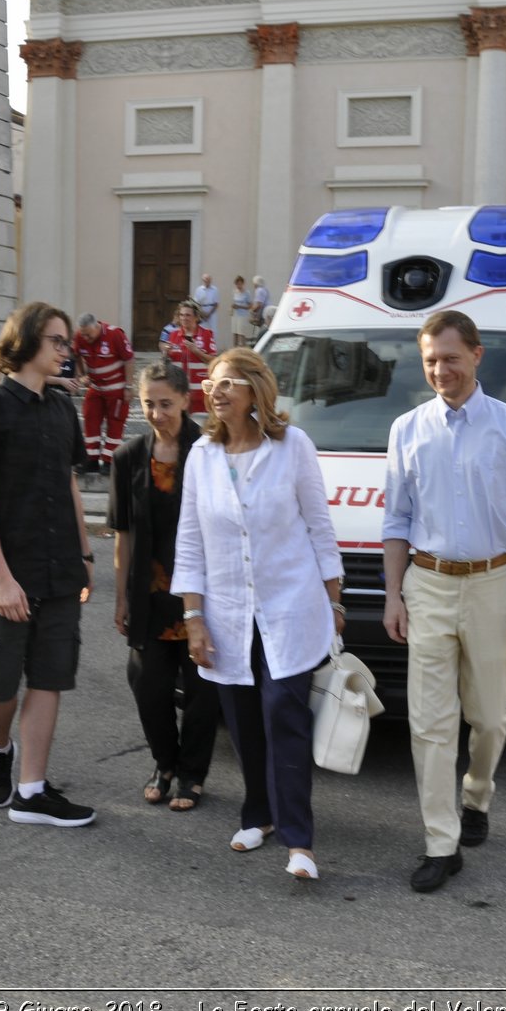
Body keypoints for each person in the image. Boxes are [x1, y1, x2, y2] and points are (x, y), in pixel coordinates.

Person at [381, 310, 506, 893]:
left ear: (477, 356)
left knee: (489, 715)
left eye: (450, 358)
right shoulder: (406, 429)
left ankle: (477, 793)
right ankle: (440, 842)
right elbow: (397, 520)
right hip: (426, 585)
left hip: (494, 585)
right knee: (429, 724)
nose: (439, 371)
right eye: (430, 360)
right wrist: (393, 595)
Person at [173, 348, 344, 880]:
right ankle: (258, 814)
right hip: (226, 613)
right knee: (243, 722)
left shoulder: (292, 447)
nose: (216, 392)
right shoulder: (201, 454)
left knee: (284, 718)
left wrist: (336, 600)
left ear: (255, 391)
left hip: (290, 610)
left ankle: (300, 841)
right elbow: (190, 541)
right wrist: (194, 617)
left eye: (228, 383)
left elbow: (319, 527)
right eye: (211, 384)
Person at [0, 302, 97, 828]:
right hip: (7, 573)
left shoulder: (63, 410)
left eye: (68, 343)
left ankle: (32, 790)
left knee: (51, 674)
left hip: (60, 567)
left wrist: (85, 555)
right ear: (28, 342)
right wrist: (1, 578)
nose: (66, 351)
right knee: (2, 683)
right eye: (57, 341)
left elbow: (69, 485)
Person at [110, 361, 220, 812]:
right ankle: (165, 763)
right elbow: (124, 534)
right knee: (148, 684)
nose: (157, 413)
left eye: (166, 404)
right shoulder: (128, 457)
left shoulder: (210, 449)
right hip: (150, 594)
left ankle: (192, 774)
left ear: (187, 401)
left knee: (201, 691)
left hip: (204, 593)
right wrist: (119, 596)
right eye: (148, 404)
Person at [72, 313, 134, 474]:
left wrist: (128, 387)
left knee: (115, 423)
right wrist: (81, 374)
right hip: (97, 387)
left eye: (89, 334)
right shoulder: (80, 336)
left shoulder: (115, 335)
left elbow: (129, 360)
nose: (85, 337)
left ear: (97, 326)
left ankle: (109, 461)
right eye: (83, 334)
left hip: (117, 387)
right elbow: (76, 355)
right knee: (90, 418)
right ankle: (90, 459)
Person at [161, 300, 216, 414]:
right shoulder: (173, 335)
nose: (184, 318)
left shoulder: (206, 334)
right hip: (178, 392)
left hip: (200, 394)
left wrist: (196, 351)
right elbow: (167, 363)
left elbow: (214, 361)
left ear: (196, 317)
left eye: (188, 315)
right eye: (181, 315)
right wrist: (166, 353)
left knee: (199, 428)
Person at [193, 273, 220, 337]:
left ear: (210, 280)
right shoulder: (198, 290)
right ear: (203, 280)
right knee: (202, 329)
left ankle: (213, 345)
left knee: (213, 330)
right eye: (205, 279)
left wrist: (209, 314)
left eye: (208, 279)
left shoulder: (215, 290)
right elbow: (196, 303)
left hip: (212, 311)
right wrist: (202, 313)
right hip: (202, 311)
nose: (207, 281)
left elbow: (216, 303)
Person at [230, 276, 252, 348]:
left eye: (240, 284)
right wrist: (233, 307)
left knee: (241, 333)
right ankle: (234, 348)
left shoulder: (246, 293)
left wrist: (240, 307)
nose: (239, 286)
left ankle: (243, 348)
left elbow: (250, 306)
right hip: (235, 314)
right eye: (237, 284)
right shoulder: (234, 292)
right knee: (235, 332)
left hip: (242, 315)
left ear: (243, 284)